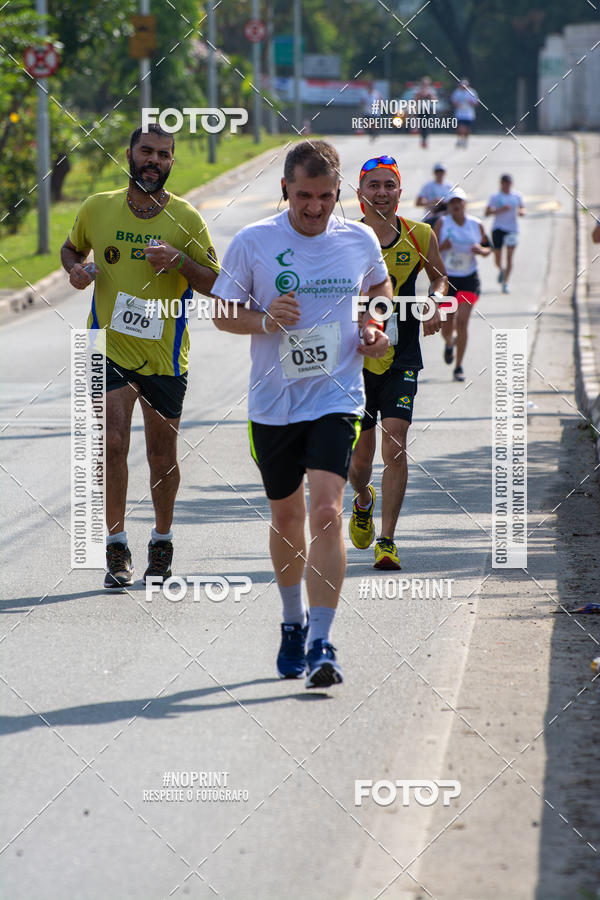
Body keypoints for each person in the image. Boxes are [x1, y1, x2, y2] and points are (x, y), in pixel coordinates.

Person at [211, 141, 391, 688]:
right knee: (287, 520)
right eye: (304, 196)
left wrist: (374, 323)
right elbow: (221, 312)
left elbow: (378, 286)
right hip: (272, 403)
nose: (314, 208)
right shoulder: (254, 242)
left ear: (340, 195)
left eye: (325, 197)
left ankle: (322, 642)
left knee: (327, 514)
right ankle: (293, 621)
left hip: (336, 398)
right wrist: (264, 320)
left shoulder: (357, 238)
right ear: (285, 189)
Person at [61, 124, 220, 590]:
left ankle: (162, 538)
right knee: (111, 443)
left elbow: (216, 282)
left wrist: (179, 262)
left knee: (160, 454)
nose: (154, 160)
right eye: (146, 151)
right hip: (105, 346)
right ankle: (115, 546)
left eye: (164, 154)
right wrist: (75, 270)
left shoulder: (187, 219)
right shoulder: (98, 207)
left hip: (165, 355)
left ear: (172, 162)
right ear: (129, 155)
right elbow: (72, 248)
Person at [348, 156, 447, 570]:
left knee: (396, 446)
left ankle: (387, 541)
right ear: (360, 193)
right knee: (358, 460)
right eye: (374, 185)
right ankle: (363, 498)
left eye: (389, 185)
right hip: (353, 356)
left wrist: (436, 302)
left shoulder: (419, 234)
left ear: (400, 192)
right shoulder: (344, 238)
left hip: (402, 353)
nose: (382, 192)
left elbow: (442, 279)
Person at [434, 188, 491, 381]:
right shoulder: (442, 223)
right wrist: (443, 247)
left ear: (465, 204)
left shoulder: (476, 225)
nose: (456, 205)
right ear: (448, 206)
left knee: (463, 321)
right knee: (447, 324)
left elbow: (488, 248)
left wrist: (480, 250)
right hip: (447, 280)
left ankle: (458, 367)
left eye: (459, 202)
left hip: (468, 278)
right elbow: (430, 251)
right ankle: (450, 343)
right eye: (452, 203)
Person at [485, 174, 525, 294]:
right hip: (498, 228)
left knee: (509, 257)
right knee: (497, 258)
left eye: (509, 183)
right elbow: (487, 212)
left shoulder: (516, 196)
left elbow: (522, 208)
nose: (507, 185)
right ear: (501, 183)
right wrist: (500, 210)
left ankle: (505, 283)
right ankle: (501, 270)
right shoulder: (495, 197)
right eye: (505, 183)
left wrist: (521, 212)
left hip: (512, 229)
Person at [415, 162, 453, 228]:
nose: (440, 174)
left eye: (441, 172)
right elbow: (418, 203)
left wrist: (444, 204)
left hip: (446, 218)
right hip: (431, 218)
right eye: (438, 172)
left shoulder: (449, 186)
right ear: (434, 173)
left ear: (445, 173)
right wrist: (432, 202)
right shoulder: (428, 186)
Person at [451, 78, 478, 148]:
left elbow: (476, 103)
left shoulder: (472, 92)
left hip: (469, 114)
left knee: (467, 128)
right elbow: (453, 101)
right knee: (460, 127)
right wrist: (457, 104)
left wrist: (470, 102)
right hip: (459, 113)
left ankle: (465, 140)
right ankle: (459, 139)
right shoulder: (457, 92)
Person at [414, 76, 438, 149]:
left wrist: (429, 96)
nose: (425, 85)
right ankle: (423, 139)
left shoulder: (431, 90)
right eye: (424, 83)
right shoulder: (418, 90)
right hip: (420, 109)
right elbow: (415, 100)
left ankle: (425, 139)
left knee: (427, 125)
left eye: (426, 83)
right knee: (421, 125)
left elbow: (435, 100)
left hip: (428, 109)